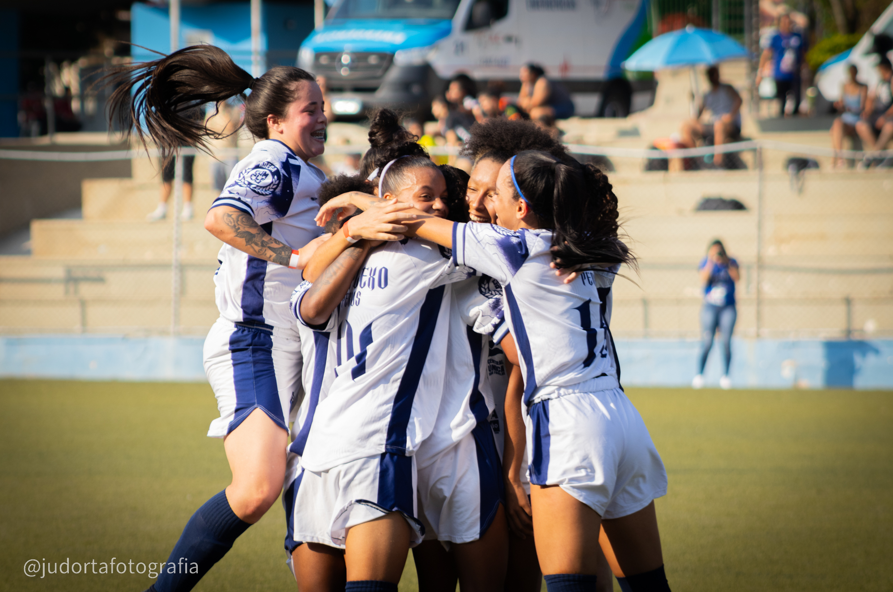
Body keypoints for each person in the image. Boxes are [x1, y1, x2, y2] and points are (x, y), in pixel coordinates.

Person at [104, 44, 410, 592]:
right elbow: (221, 217)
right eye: (309, 108)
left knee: (314, 468)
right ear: (275, 121)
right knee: (255, 489)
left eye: (322, 105)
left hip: (298, 344)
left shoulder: (305, 170)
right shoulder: (273, 162)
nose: (321, 116)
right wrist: (297, 257)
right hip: (255, 340)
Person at [318, 151, 672, 592]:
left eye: (497, 193)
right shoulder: (589, 245)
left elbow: (410, 220)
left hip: (569, 424)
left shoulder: (514, 247)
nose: (484, 204)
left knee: (569, 585)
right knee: (650, 585)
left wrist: (362, 199)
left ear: (521, 209)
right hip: (622, 416)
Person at [692, 240, 739, 391]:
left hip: (727, 308)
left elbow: (737, 277)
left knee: (726, 341)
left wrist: (725, 262)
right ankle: (699, 375)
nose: (717, 254)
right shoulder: (706, 262)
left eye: (719, 251)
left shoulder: (731, 262)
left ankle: (726, 376)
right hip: (710, 307)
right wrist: (712, 261)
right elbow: (703, 279)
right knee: (707, 341)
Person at [679, 66, 742, 168]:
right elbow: (697, 115)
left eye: (714, 74)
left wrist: (730, 115)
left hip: (729, 125)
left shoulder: (727, 88)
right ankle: (695, 161)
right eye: (710, 75)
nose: (713, 77)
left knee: (719, 125)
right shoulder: (707, 94)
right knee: (686, 126)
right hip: (713, 124)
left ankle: (718, 163)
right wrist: (694, 101)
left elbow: (739, 100)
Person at [758, 12, 805, 117]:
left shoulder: (797, 37)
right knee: (781, 99)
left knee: (797, 99)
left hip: (795, 74)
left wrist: (804, 67)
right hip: (780, 74)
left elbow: (803, 54)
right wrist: (760, 71)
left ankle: (795, 121)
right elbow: (766, 54)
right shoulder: (776, 37)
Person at [855, 57, 893, 161]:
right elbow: (871, 98)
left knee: (890, 127)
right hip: (877, 115)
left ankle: (873, 157)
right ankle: (878, 155)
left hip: (888, 117)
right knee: (861, 125)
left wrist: (885, 117)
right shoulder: (879, 82)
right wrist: (867, 111)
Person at [831, 64, 868, 168]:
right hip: (846, 118)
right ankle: (840, 159)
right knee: (837, 124)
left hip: (857, 118)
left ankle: (834, 160)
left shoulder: (863, 86)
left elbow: (863, 107)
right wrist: (839, 106)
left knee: (834, 130)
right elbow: (842, 104)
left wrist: (850, 109)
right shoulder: (844, 85)